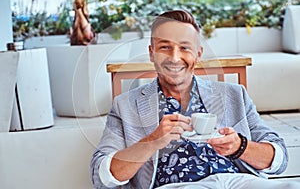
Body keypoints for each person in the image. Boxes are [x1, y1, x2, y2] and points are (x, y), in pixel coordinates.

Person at [90, 10, 298, 189]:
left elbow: (279, 158)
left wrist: (239, 147)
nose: (174, 57)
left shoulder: (235, 95)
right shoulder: (126, 105)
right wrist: (152, 141)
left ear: (198, 54)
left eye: (185, 48)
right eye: (164, 47)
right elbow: (101, 177)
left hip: (238, 181)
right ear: (151, 53)